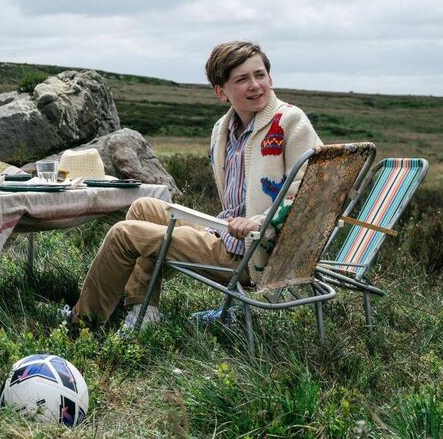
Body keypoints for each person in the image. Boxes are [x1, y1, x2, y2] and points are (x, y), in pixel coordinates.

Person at [70, 41, 321, 330]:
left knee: (124, 233)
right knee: (143, 207)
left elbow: (314, 192)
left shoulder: (289, 121)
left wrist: (260, 223)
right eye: (242, 79)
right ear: (220, 92)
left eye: (260, 75)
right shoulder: (223, 130)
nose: (255, 85)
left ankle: (81, 325)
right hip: (226, 233)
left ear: (270, 77)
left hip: (254, 252)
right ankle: (143, 311)